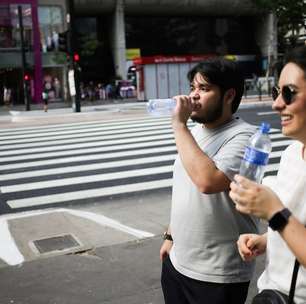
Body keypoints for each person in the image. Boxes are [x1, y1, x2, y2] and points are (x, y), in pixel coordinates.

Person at [160, 57, 259, 304]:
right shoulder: (195, 132)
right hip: (178, 263)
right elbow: (185, 187)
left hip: (218, 274)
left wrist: (178, 125)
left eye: (204, 89)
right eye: (193, 88)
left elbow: (208, 181)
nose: (194, 96)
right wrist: (170, 237)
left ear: (228, 95)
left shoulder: (245, 137)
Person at [229, 45, 306, 304]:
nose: (276, 103)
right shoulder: (292, 153)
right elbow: (296, 225)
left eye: (289, 93)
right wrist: (267, 239)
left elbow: (285, 218)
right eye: (276, 92)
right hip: (271, 294)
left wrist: (274, 212)